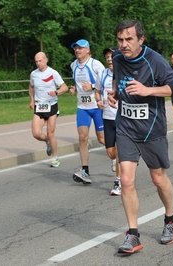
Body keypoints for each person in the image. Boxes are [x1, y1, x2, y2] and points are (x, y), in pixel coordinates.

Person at [108, 19, 173, 254]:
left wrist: (148, 90)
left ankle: (170, 218)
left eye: (129, 39)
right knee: (127, 180)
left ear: (141, 39)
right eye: (120, 39)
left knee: (159, 179)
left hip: (151, 129)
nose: (124, 44)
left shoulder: (156, 61)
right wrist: (115, 94)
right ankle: (132, 235)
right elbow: (118, 81)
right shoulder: (118, 59)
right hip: (126, 127)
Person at [70, 39, 105, 184]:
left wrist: (91, 85)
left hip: (97, 106)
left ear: (88, 50)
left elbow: (106, 81)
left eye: (80, 48)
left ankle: (117, 157)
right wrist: (74, 88)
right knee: (82, 138)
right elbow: (77, 83)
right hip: (82, 107)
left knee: (102, 139)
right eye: (75, 48)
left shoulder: (95, 64)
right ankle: (85, 171)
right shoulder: (74, 65)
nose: (77, 50)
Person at [28, 52, 69, 167]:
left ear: (46, 60)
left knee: (50, 134)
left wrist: (56, 92)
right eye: (36, 61)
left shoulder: (53, 72)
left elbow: (64, 87)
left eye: (40, 61)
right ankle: (47, 142)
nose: (38, 63)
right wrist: (32, 100)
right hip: (39, 106)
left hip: (51, 106)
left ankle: (55, 157)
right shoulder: (34, 74)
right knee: (36, 133)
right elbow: (31, 87)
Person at [95, 47, 121, 196]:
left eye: (112, 56)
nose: (109, 59)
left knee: (118, 151)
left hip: (122, 118)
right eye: (107, 57)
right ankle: (118, 162)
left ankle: (118, 182)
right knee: (110, 153)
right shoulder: (103, 74)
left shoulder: (123, 72)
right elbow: (97, 91)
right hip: (107, 117)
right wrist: (98, 100)